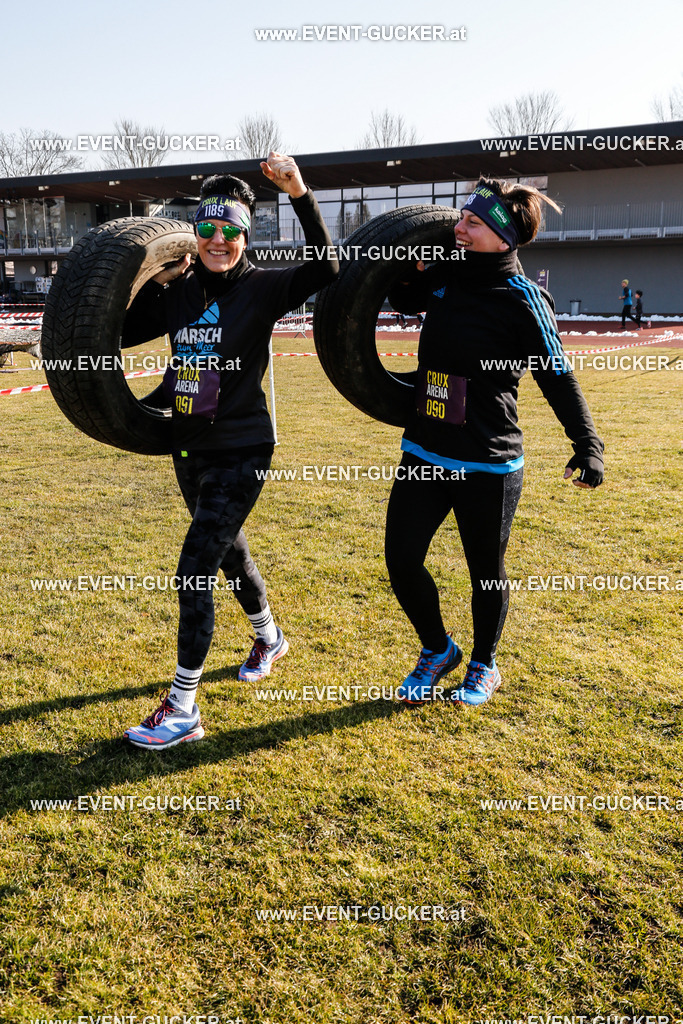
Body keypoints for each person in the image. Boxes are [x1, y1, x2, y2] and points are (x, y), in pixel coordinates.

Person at [121, 153, 339, 748]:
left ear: (246, 233)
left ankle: (183, 708)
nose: (219, 240)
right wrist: (147, 276)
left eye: (232, 230)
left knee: (194, 570)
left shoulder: (263, 288)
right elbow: (116, 323)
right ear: (196, 231)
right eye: (209, 228)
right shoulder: (178, 291)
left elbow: (326, 265)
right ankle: (270, 637)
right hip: (187, 448)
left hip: (243, 447)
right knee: (227, 553)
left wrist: (298, 192)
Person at [385, 177, 604, 708]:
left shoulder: (524, 299)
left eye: (472, 223)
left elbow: (557, 375)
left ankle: (484, 663)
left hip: (489, 462)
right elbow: (402, 295)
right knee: (401, 559)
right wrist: (411, 263)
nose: (458, 228)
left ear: (503, 237)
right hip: (425, 450)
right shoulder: (447, 273)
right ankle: (437, 649)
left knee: (485, 573)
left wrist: (587, 444)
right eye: (461, 217)